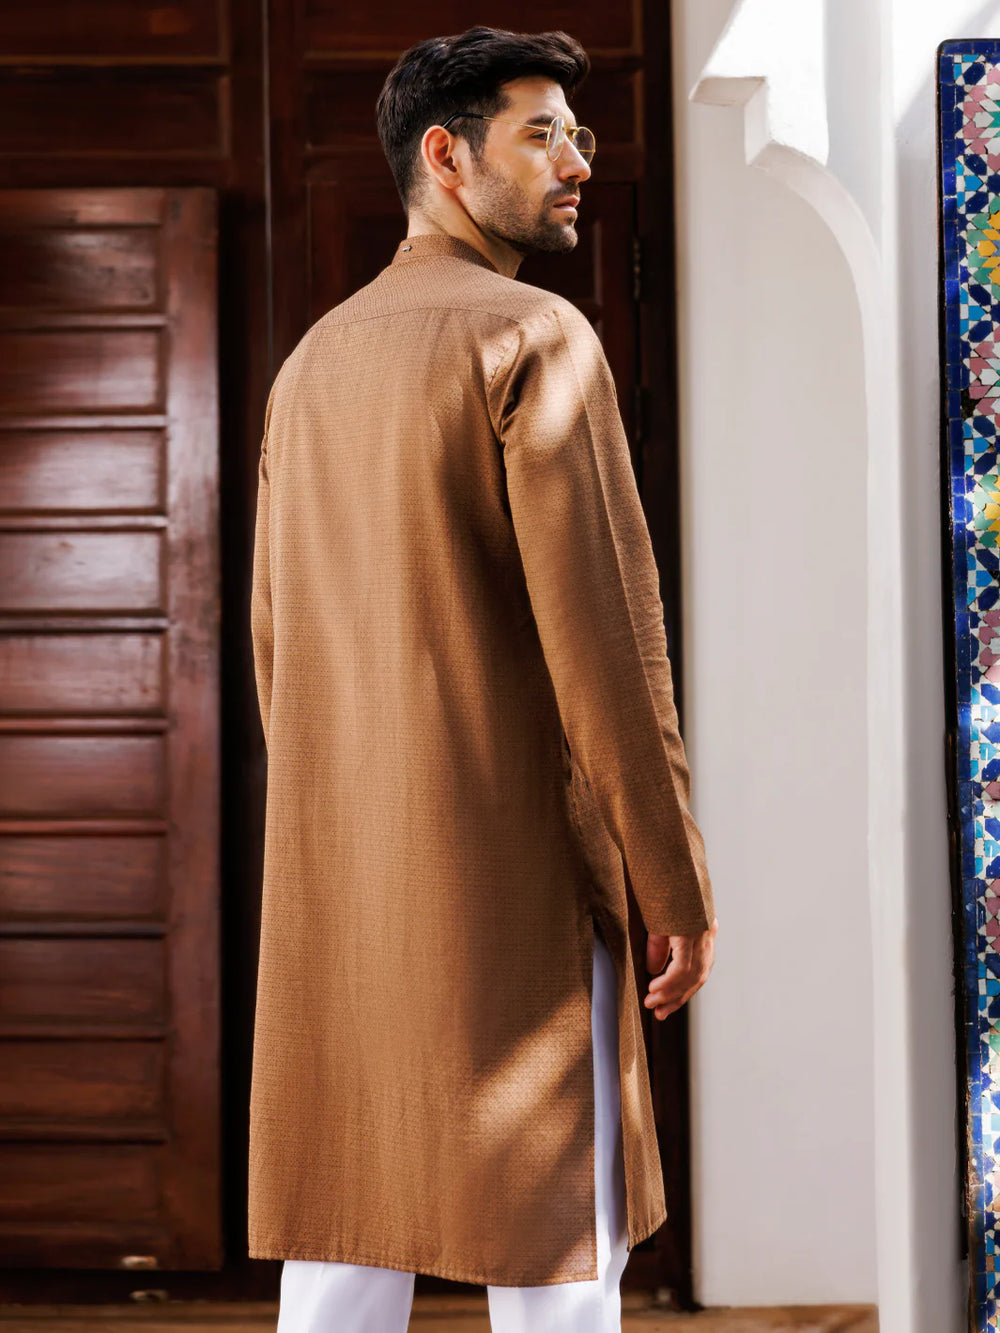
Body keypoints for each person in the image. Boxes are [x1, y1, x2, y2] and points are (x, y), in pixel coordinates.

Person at [249, 24, 719, 1332]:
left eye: (579, 133)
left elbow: (278, 650)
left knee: (342, 1242)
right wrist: (670, 876)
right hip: (515, 874)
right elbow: (609, 645)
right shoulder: (534, 335)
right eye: (543, 133)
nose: (580, 161)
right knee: (557, 1247)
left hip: (344, 880)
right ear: (447, 158)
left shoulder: (313, 362)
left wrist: (338, 828)